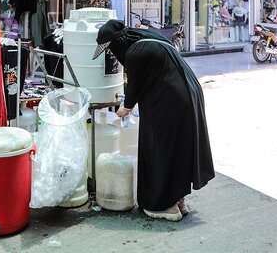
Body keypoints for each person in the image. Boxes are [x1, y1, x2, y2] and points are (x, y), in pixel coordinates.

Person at [92, 20, 215, 222]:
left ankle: (164, 205)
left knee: (160, 149)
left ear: (118, 42)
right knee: (175, 149)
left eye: (112, 49)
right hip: (187, 94)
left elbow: (135, 86)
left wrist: (125, 108)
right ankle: (177, 200)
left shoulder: (135, 53)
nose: (113, 54)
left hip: (171, 100)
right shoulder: (148, 37)